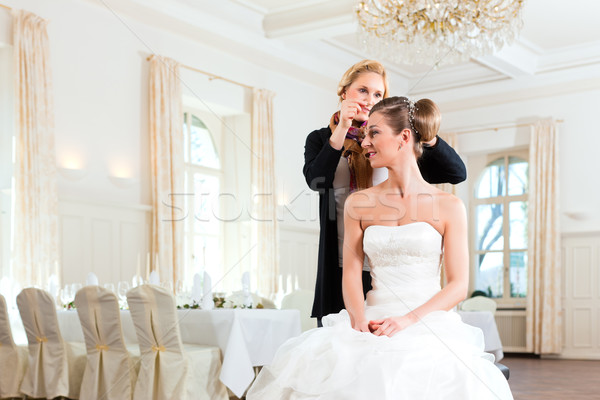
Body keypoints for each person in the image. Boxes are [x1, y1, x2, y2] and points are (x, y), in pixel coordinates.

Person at [248, 96, 513, 399]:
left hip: (428, 322)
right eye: (364, 135)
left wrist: (406, 321)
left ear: (404, 137)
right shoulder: (358, 203)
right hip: (371, 318)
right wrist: (359, 319)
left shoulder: (450, 206)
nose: (364, 143)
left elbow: (457, 286)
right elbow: (350, 272)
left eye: (374, 133)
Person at [303, 60, 466, 326]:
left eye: (378, 94)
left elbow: (456, 173)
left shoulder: (394, 143)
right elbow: (317, 180)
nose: (370, 99)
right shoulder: (322, 140)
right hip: (344, 260)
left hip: (387, 261)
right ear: (344, 93)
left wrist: (423, 131)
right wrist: (343, 126)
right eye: (363, 91)